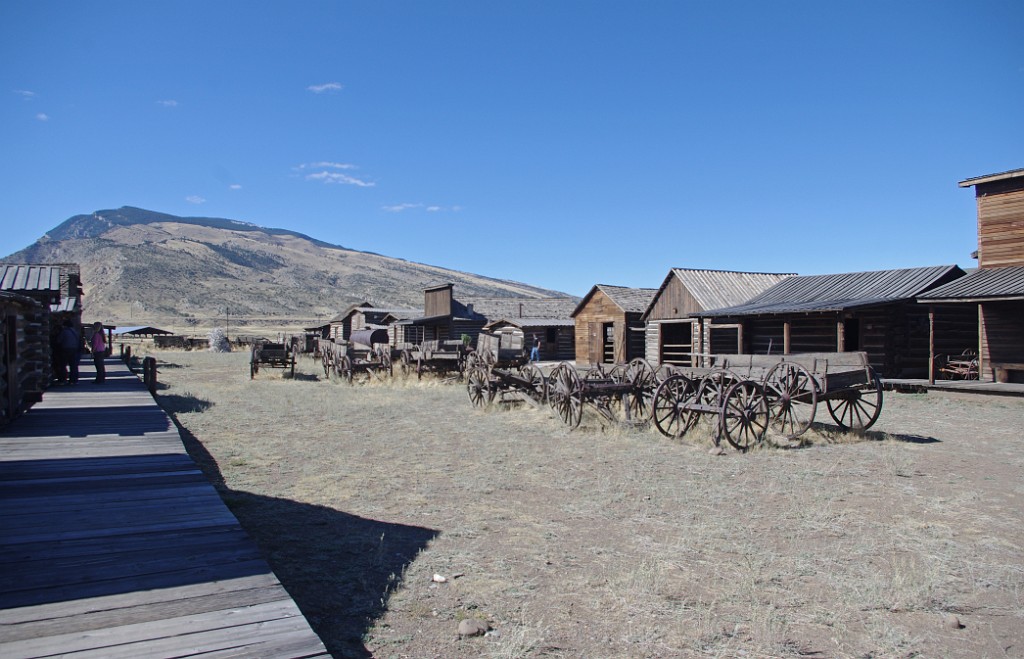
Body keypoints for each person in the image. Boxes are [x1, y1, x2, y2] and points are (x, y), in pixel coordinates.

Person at [55, 319, 81, 384]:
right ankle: (74, 380)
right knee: (74, 365)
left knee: (63, 365)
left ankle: (63, 379)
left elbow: (59, 340)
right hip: (74, 349)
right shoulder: (75, 331)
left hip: (65, 349)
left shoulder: (64, 331)